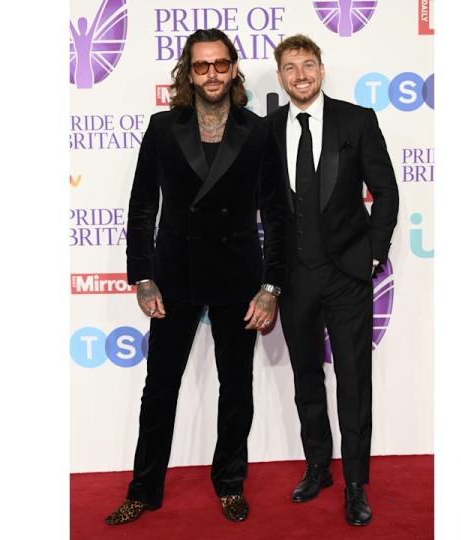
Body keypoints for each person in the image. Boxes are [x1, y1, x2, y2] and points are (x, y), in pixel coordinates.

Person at [105, 28, 289, 526]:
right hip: (174, 277)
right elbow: (143, 204)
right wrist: (142, 275)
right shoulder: (164, 128)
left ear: (233, 69)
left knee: (236, 387)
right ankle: (143, 489)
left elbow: (277, 215)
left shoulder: (259, 130)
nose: (211, 74)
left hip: (238, 278)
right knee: (159, 388)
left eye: (220, 64)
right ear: (188, 71)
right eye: (201, 65)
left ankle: (229, 482)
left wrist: (271, 287)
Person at [266, 34, 399, 526]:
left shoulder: (356, 120)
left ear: (321, 69)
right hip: (295, 277)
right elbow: (271, 210)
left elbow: (385, 192)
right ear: (280, 76)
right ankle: (318, 465)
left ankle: (356, 484)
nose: (299, 75)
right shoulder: (269, 128)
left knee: (353, 383)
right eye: (289, 68)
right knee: (305, 380)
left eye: (307, 65)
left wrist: (372, 254)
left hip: (347, 276)